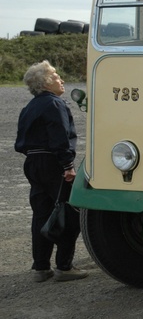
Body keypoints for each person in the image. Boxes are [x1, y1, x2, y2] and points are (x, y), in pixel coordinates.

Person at [15, 61, 88, 282]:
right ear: (46, 82)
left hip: (33, 162)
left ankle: (41, 267)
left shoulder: (29, 107)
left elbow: (21, 142)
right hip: (53, 162)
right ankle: (64, 267)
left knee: (41, 213)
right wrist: (68, 166)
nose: (61, 79)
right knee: (67, 212)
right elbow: (60, 137)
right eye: (56, 76)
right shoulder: (55, 104)